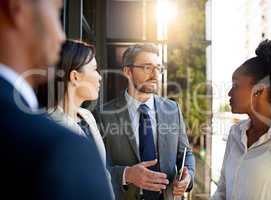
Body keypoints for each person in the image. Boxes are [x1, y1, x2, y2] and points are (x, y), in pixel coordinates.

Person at [0, 0, 114, 199]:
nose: (61, 36)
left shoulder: (87, 117)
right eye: (56, 12)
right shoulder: (52, 138)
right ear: (75, 77)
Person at [93, 43, 195, 200]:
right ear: (128, 71)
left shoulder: (172, 109)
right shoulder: (103, 115)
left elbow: (186, 153)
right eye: (147, 67)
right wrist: (127, 174)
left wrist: (187, 178)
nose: (155, 74)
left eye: (159, 68)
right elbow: (96, 168)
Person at [211, 39, 271, 200]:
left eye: (236, 86)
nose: (229, 93)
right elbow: (222, 190)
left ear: (259, 90)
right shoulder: (235, 133)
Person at [43, 39, 113, 193]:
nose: (100, 77)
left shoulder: (87, 117)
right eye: (95, 69)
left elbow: (104, 174)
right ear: (75, 77)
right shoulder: (49, 127)